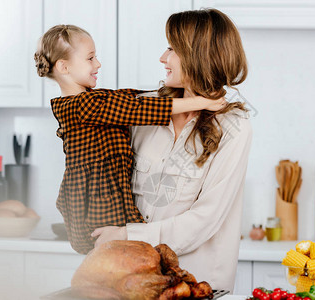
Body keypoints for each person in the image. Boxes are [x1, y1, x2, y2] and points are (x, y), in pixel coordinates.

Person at [92, 8, 252, 292]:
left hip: (195, 284)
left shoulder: (234, 127)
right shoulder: (144, 111)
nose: (163, 58)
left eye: (172, 48)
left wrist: (127, 235)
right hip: (136, 281)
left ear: (199, 55)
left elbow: (205, 218)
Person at [34, 24, 225, 254]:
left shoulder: (95, 99)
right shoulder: (81, 105)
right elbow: (138, 107)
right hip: (98, 197)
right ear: (64, 66)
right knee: (122, 255)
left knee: (131, 253)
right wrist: (202, 102)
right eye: (90, 58)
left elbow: (131, 97)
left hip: (113, 189)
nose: (98, 64)